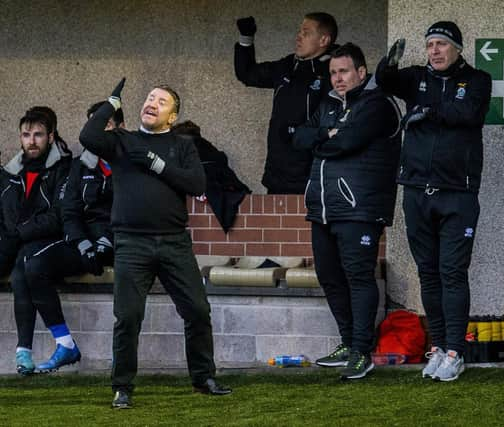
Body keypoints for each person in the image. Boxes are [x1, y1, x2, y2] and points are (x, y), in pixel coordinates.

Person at [80, 79, 231, 409]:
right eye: (149, 98)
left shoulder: (183, 145)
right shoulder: (121, 140)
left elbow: (195, 183)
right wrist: (111, 102)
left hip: (174, 242)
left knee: (197, 310)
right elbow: (87, 137)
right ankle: (122, 386)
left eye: (161, 101)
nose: (152, 103)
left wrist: (155, 162)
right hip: (132, 243)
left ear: (172, 117)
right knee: (128, 317)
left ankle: (203, 377)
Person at [375, 21, 492, 381]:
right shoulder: (416, 78)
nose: (435, 51)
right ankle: (438, 347)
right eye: (430, 45)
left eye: (442, 44)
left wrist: (430, 110)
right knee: (429, 273)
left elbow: (470, 114)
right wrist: (387, 65)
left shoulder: (476, 80)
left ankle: (456, 350)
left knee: (452, 272)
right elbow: (385, 82)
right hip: (416, 191)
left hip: (458, 194)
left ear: (457, 48)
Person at [294, 43, 402, 380]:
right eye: (332, 73)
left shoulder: (378, 104)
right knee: (330, 276)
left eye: (343, 72)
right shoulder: (326, 105)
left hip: (360, 207)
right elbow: (299, 137)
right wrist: (326, 133)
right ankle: (346, 342)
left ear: (361, 72)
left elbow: (347, 143)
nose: (337, 79)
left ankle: (361, 350)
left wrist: (323, 138)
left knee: (359, 277)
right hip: (323, 208)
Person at [25, 102, 124, 373]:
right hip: (85, 243)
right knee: (34, 265)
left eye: (104, 124)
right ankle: (65, 344)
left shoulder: (130, 163)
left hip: (122, 243)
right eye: (92, 125)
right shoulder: (80, 166)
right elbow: (69, 211)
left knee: (132, 276)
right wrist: (81, 242)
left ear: (120, 128)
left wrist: (107, 242)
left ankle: (123, 352)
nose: (97, 131)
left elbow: (135, 211)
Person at [0, 109, 72, 375]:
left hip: (46, 243)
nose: (31, 141)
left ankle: (23, 352)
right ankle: (25, 353)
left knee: (22, 272)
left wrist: (19, 233)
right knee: (18, 266)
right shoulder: (9, 173)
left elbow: (58, 217)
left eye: (38, 135)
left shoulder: (64, 169)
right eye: (26, 135)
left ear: (51, 137)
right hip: (14, 242)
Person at [235, 12, 338, 194]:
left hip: (315, 175)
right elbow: (247, 74)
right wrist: (246, 38)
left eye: (306, 32)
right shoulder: (287, 66)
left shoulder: (335, 72)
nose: (298, 36)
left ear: (323, 40)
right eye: (299, 31)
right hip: (278, 172)